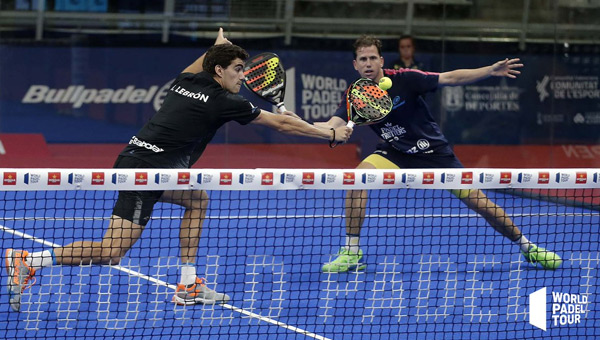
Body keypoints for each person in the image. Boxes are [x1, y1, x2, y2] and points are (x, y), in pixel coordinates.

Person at [4, 28, 353, 312]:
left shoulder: (186, 80)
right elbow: (283, 126)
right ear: (219, 72)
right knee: (112, 252)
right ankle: (29, 258)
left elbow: (210, 59)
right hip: (146, 170)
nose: (243, 77)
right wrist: (330, 133)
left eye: (244, 70)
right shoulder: (224, 101)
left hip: (141, 162)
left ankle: (188, 284)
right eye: (237, 70)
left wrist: (221, 46)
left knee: (197, 200)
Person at [319, 35, 562, 273]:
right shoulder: (355, 94)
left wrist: (489, 70)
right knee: (357, 180)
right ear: (355, 64)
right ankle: (352, 251)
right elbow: (332, 125)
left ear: (382, 61)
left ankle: (528, 247)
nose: (368, 63)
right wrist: (301, 124)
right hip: (395, 152)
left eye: (372, 58)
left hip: (435, 153)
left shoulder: (407, 79)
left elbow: (450, 78)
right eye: (363, 59)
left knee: (481, 203)